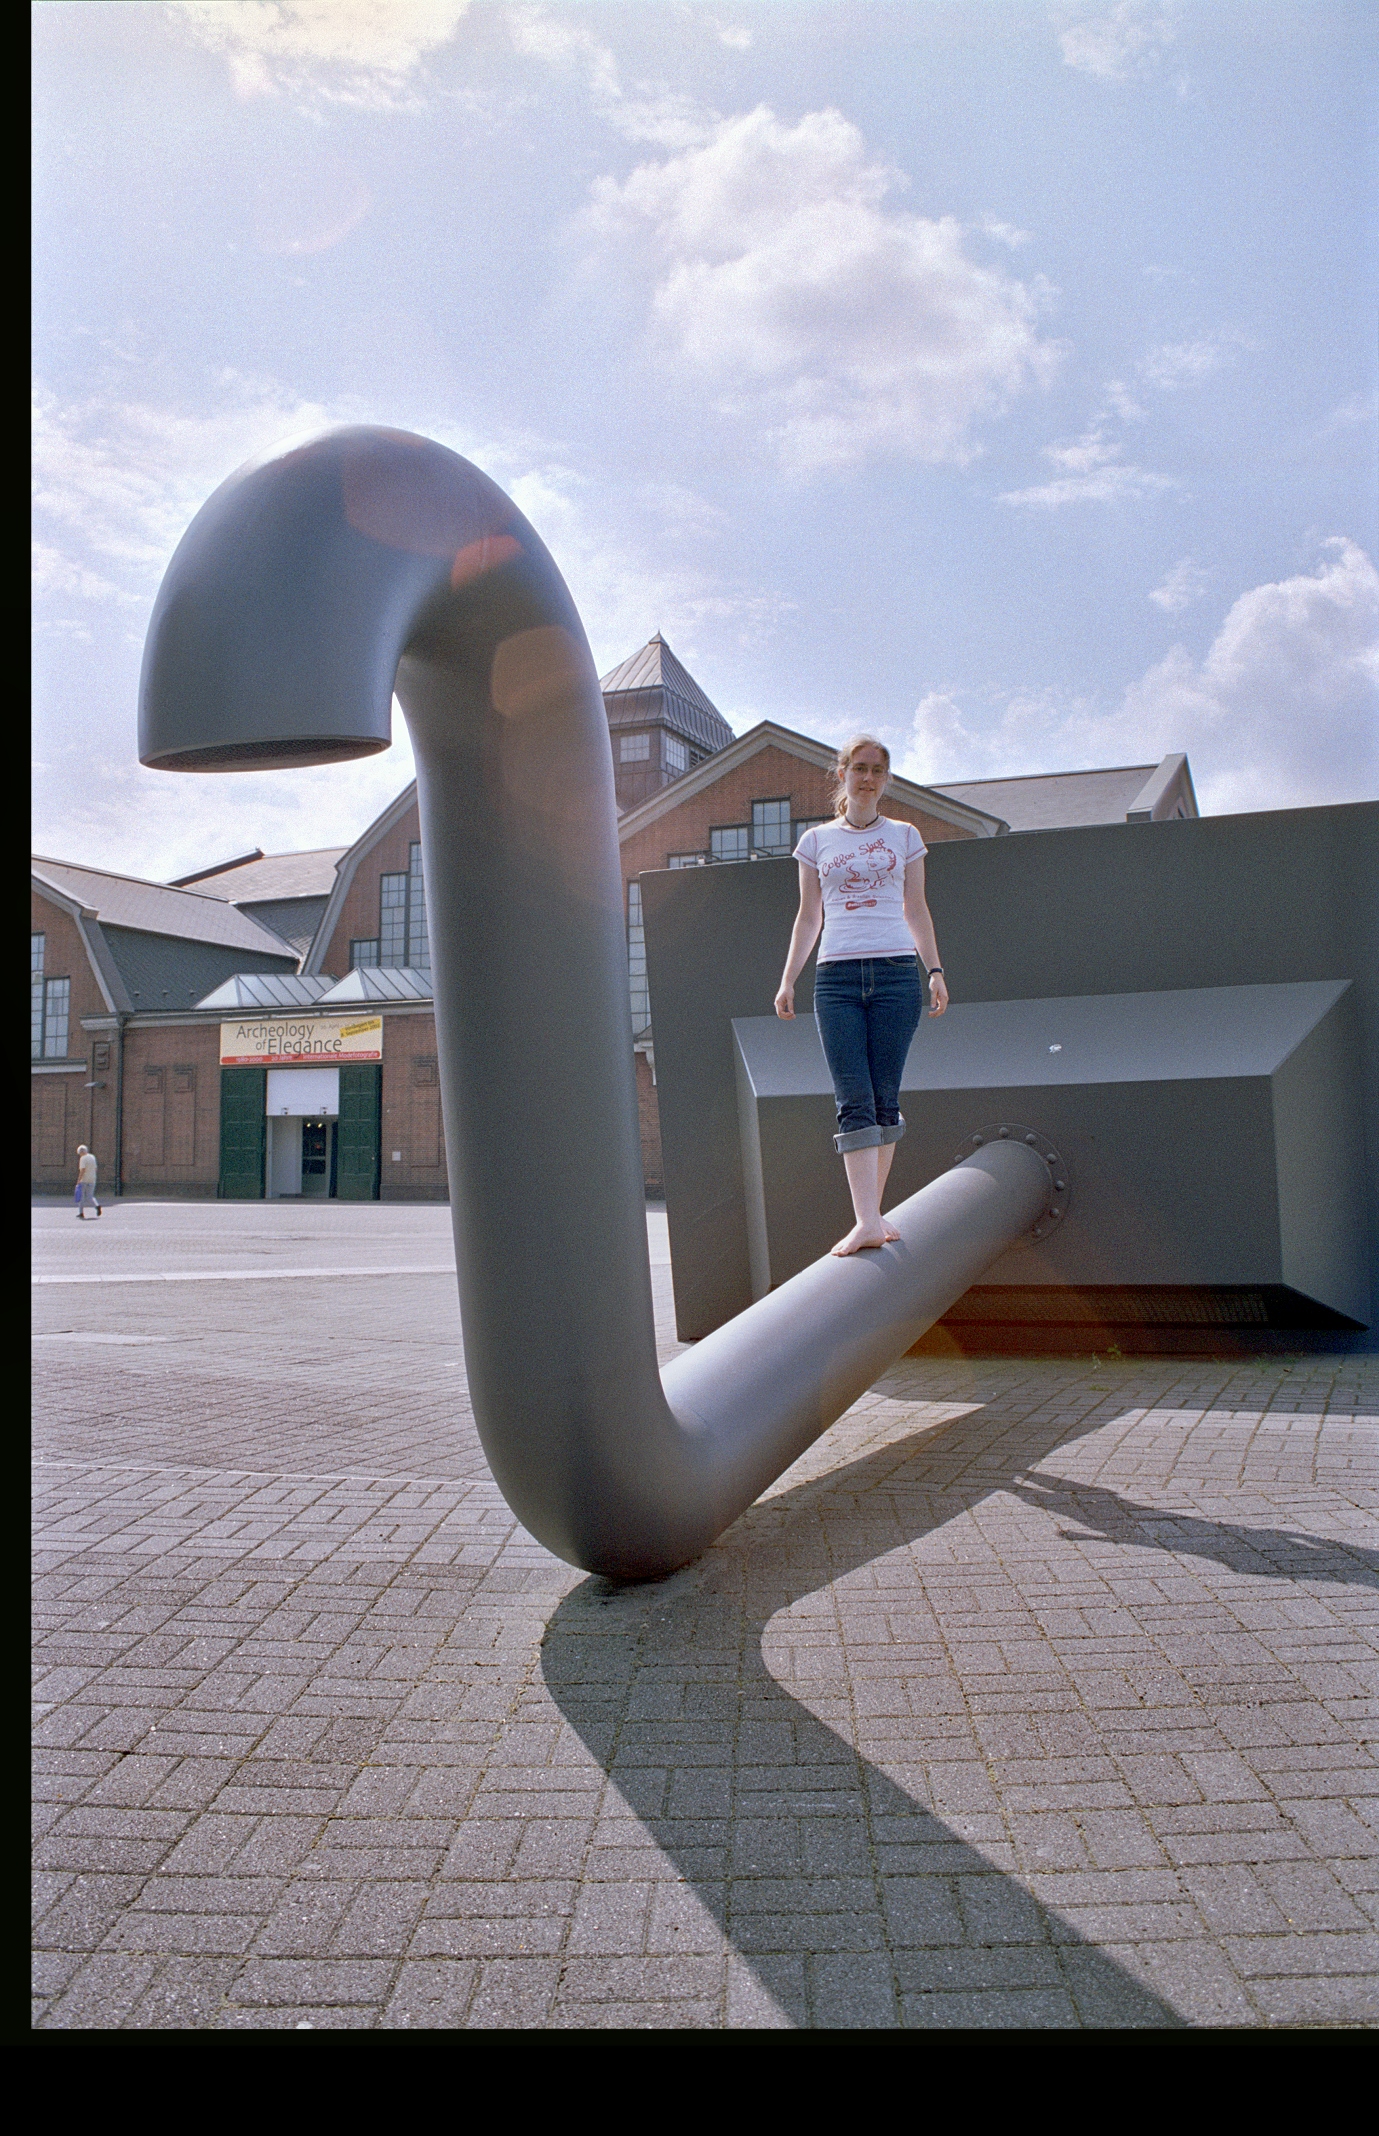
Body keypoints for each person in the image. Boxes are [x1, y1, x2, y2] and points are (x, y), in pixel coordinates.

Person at [775, 735, 949, 1255]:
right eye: (858, 769)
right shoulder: (816, 841)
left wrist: (934, 970)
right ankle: (867, 1219)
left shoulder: (904, 835)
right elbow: (809, 917)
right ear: (843, 774)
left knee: (883, 1098)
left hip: (897, 974)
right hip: (836, 979)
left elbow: (916, 908)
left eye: (877, 770)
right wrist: (788, 979)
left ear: (885, 778)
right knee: (853, 1098)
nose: (867, 778)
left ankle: (873, 1216)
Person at [75, 1143, 101, 1219]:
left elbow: (82, 1170)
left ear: (81, 1152)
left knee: (81, 1197)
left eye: (79, 1153)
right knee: (90, 1196)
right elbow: (95, 1168)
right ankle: (97, 1206)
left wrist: (78, 1180)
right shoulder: (92, 1157)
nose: (79, 1155)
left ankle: (81, 1213)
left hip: (84, 1179)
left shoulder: (83, 1158)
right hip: (92, 1179)